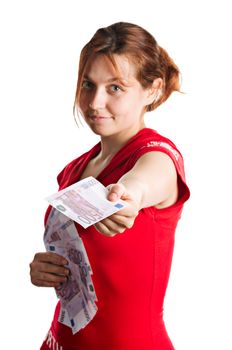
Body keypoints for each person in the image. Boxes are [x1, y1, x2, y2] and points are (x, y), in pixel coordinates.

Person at [30, 21, 190, 350]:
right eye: (88, 85)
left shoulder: (159, 157)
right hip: (60, 341)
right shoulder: (74, 169)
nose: (94, 102)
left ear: (152, 89)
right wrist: (47, 268)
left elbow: (142, 183)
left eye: (115, 87)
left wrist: (127, 198)